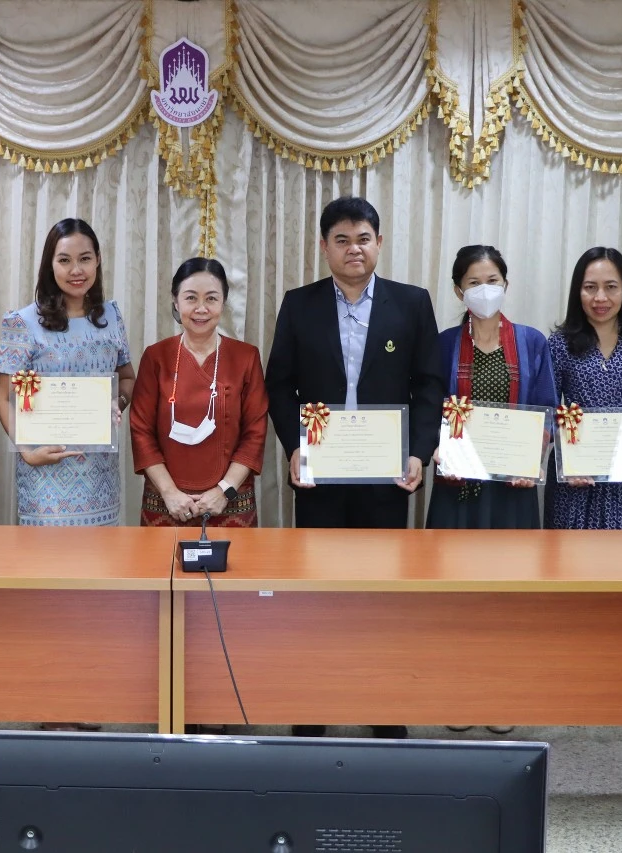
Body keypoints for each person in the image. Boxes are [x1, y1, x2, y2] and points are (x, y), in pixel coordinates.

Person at [265, 196, 443, 739]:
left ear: (379, 243)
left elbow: (429, 385)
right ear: (324, 248)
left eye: (363, 238)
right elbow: (279, 385)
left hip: (386, 476)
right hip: (319, 475)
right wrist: (295, 446)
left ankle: (383, 705)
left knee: (382, 595)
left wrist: (418, 451)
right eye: (341, 240)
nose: (353, 249)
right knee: (315, 596)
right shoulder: (299, 304)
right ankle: (313, 704)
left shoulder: (411, 304)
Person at [0, 218, 135, 528]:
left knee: (102, 569)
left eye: (85, 259)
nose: (76, 270)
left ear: (97, 260)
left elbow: (127, 378)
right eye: (64, 260)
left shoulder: (111, 316)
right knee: (49, 569)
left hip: (101, 479)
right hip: (45, 479)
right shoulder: (22, 322)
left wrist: (118, 403)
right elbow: (4, 397)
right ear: (50, 265)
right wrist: (27, 451)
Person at [130, 258, 268, 527]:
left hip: (231, 503)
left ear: (223, 302)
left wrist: (224, 491)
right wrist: (169, 493)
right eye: (191, 298)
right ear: (176, 301)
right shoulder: (156, 357)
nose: (201, 309)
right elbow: (141, 430)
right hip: (165, 504)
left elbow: (255, 432)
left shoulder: (246, 357)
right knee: (162, 569)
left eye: (211, 299)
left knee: (235, 569)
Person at [427, 245, 556, 531]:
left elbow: (546, 407)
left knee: (511, 568)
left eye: (492, 281)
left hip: (513, 483)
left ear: (505, 285)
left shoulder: (532, 342)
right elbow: (430, 405)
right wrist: (438, 446)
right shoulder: (444, 344)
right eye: (474, 283)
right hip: (457, 484)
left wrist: (532, 457)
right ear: (459, 291)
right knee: (450, 567)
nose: (484, 289)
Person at [544, 247, 622, 530]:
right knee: (570, 565)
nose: (600, 298)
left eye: (611, 287)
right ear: (578, 292)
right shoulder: (559, 344)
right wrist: (567, 458)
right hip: (576, 481)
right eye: (590, 287)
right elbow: (548, 411)